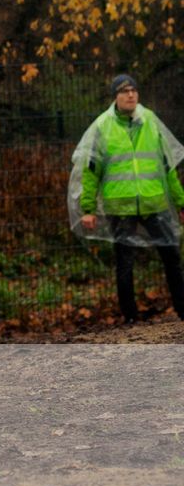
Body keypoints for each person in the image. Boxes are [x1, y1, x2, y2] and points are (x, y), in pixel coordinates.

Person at [71, 72, 184, 323]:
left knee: (172, 256)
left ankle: (182, 308)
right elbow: (91, 172)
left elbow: (168, 168)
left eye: (133, 90)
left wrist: (181, 201)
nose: (130, 94)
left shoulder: (151, 121)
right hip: (120, 207)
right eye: (124, 91)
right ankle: (131, 317)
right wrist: (87, 208)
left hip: (154, 202)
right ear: (115, 97)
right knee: (125, 262)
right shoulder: (102, 126)